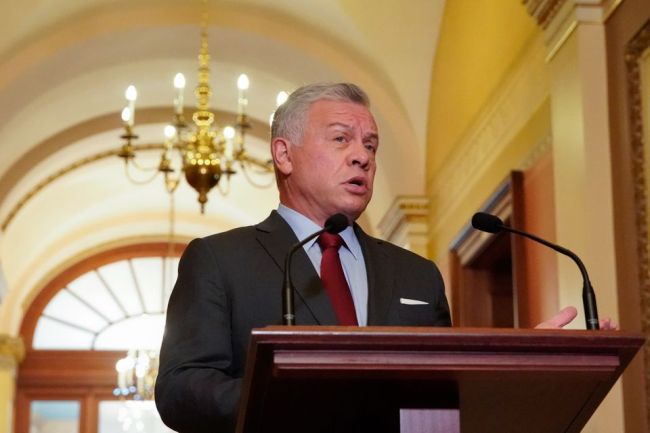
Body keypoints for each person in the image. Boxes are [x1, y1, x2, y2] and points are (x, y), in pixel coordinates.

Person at [154, 83, 614, 433]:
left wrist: (518, 370)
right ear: (284, 155)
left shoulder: (417, 274)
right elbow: (180, 390)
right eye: (341, 139)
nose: (362, 157)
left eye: (371, 145)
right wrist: (291, 400)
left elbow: (442, 401)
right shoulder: (219, 260)